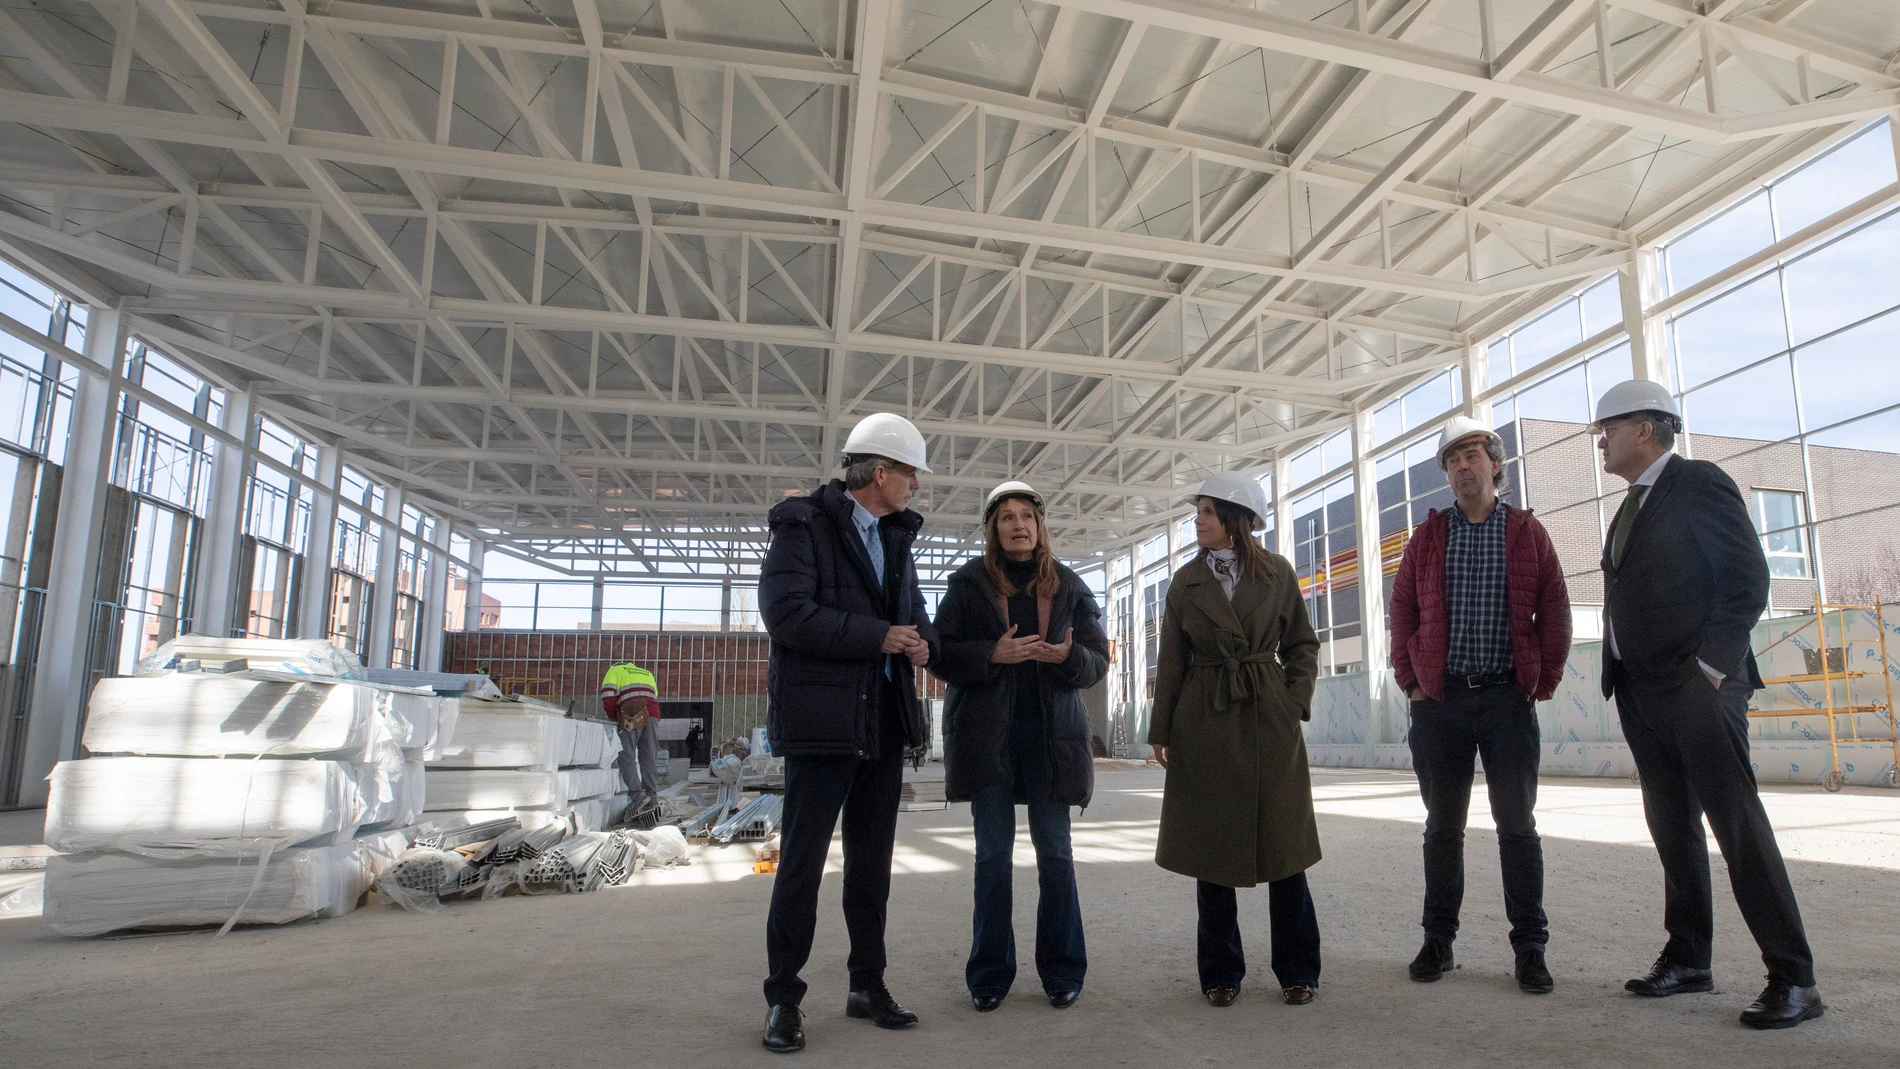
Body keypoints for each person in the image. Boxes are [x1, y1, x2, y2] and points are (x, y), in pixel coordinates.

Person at [1593, 379, 1822, 1030]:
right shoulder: (1632, 505)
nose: (1601, 441)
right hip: (1641, 689)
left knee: (1737, 827)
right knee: (1674, 830)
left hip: (1697, 686)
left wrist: (1711, 670)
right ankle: (1690, 956)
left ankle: (1795, 977)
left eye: (1606, 428)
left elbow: (1748, 578)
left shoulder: (1698, 481)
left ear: (1646, 427)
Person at [757, 412, 939, 1054]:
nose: (917, 485)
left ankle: (868, 985)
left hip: (883, 722)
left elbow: (916, 615)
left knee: (872, 865)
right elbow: (786, 615)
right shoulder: (802, 526)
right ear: (880, 472)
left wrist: (923, 644)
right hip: (823, 725)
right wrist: (878, 636)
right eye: (911, 472)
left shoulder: (896, 539)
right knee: (802, 864)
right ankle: (783, 998)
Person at [1388, 416, 1571, 994]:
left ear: (1496, 464)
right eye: (1452, 459)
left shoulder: (1525, 533)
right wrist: (1411, 684)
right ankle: (1437, 941)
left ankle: (1530, 949)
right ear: (1446, 473)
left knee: (1517, 826)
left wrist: (1539, 685)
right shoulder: (1428, 537)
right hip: (1440, 704)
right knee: (1443, 827)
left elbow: (1555, 610)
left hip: (1505, 701)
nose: (1463, 466)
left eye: (1473, 455)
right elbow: (1402, 613)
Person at [932, 481, 1110, 1013]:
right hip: (991, 740)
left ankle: (1062, 971)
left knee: (1055, 854)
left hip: (1052, 740)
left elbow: (1098, 660)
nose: (1017, 525)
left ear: (1039, 525)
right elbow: (940, 655)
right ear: (993, 528)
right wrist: (994, 654)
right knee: (992, 857)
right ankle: (988, 975)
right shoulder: (967, 585)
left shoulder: (1071, 588)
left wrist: (1066, 660)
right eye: (1006, 517)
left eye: (1026, 516)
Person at [1148, 472, 1323, 1008]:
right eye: (1197, 511)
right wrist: (1162, 729)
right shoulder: (1185, 582)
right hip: (1205, 715)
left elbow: (1302, 645)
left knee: (1284, 848)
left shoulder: (1278, 573)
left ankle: (1298, 969)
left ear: (1236, 520)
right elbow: (1172, 661)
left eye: (1206, 511)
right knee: (1212, 849)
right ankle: (1219, 972)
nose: (1197, 520)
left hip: (1266, 713)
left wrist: (1290, 704)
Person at [600, 661, 661, 806]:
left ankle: (637, 794)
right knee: (649, 755)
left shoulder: (614, 671)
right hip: (652, 713)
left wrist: (614, 717)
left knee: (625, 753)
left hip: (632, 712)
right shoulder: (647, 673)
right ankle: (651, 795)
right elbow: (654, 696)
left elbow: (608, 696)